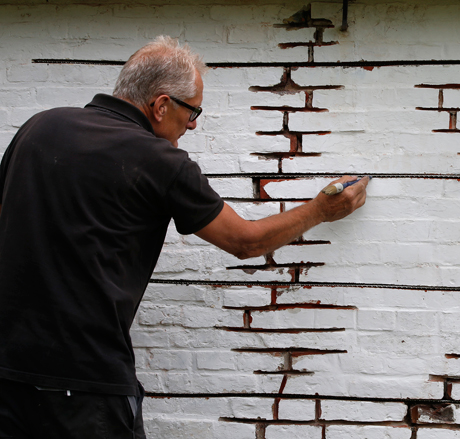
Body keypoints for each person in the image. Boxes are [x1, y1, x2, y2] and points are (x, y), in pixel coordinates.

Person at [0, 36, 368, 438]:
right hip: (86, 387)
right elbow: (245, 241)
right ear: (160, 106)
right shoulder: (160, 161)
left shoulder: (39, 126)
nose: (192, 124)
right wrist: (320, 210)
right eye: (192, 112)